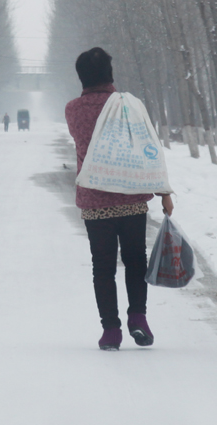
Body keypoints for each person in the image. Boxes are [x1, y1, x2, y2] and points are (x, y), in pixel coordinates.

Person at [65, 47, 173, 351]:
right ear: (110, 74)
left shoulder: (73, 109)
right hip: (131, 197)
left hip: (95, 200)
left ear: (81, 78)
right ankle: (138, 316)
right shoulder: (130, 106)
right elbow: (148, 145)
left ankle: (110, 330)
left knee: (103, 266)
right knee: (135, 259)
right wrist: (164, 191)